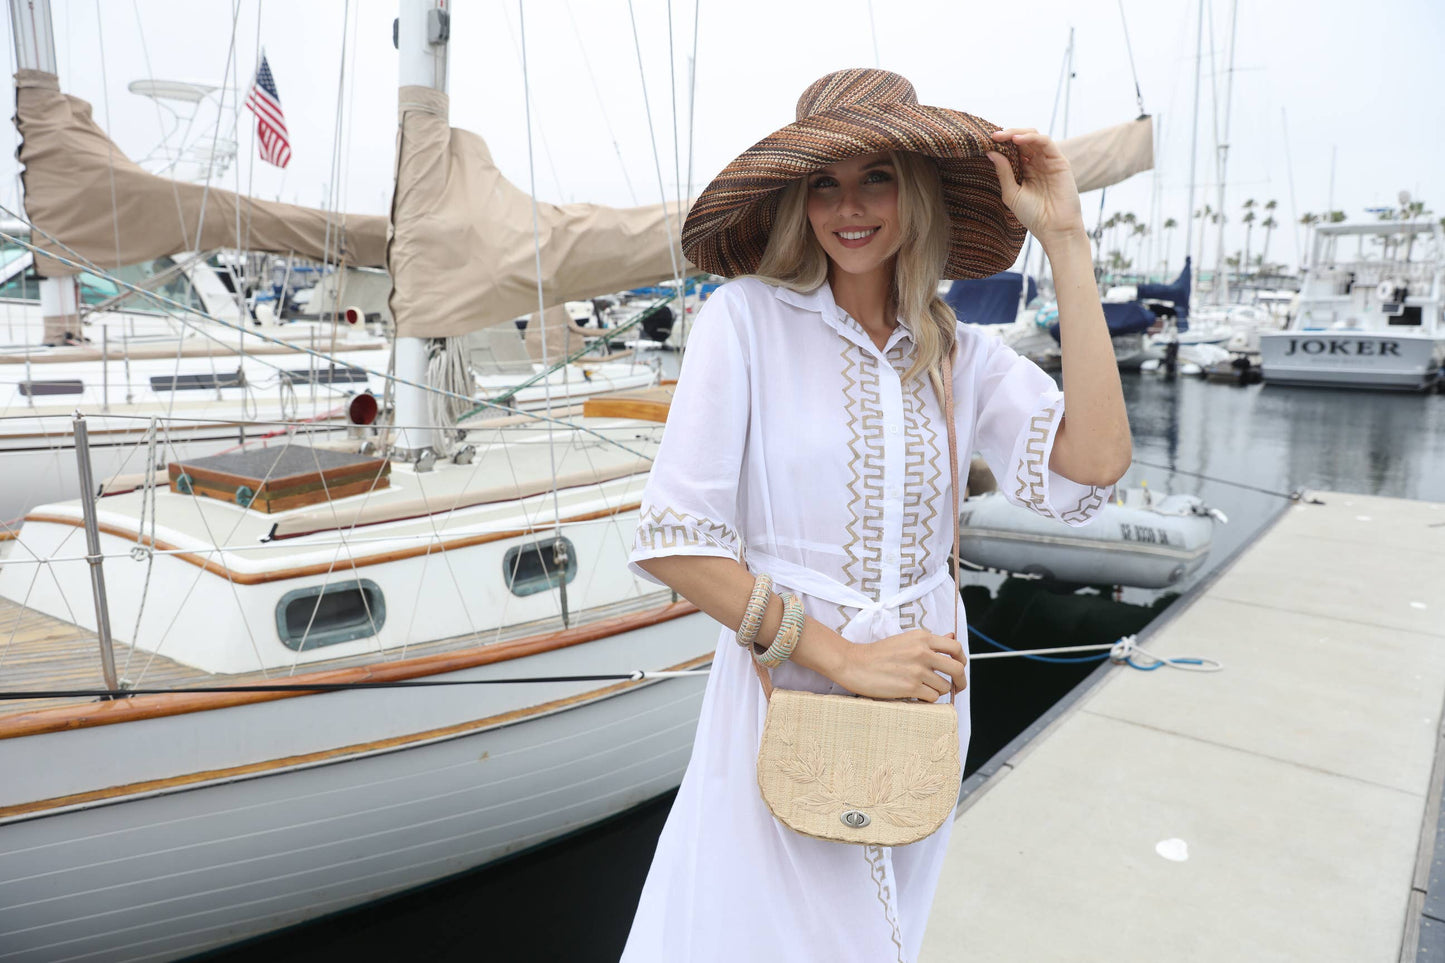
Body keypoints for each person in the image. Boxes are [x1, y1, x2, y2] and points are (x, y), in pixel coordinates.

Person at [622, 68, 1131, 962]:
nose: (848, 208)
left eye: (876, 178)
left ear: (917, 191)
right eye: (823, 183)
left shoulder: (960, 352)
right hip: (788, 690)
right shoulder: (744, 321)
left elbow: (1093, 463)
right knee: (758, 937)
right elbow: (676, 542)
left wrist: (1065, 241)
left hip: (920, 701)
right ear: (797, 201)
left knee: (877, 937)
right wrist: (844, 658)